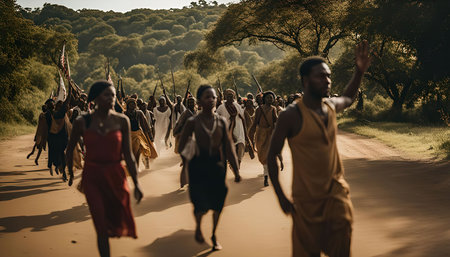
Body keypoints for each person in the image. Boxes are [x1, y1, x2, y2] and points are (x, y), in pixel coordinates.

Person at [267, 41, 371, 257]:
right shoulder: (291, 115)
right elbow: (271, 155)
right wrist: (281, 197)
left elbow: (349, 98)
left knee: (341, 249)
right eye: (320, 76)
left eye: (328, 76)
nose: (327, 81)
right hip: (306, 202)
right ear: (306, 80)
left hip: (337, 196)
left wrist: (359, 72)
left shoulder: (330, 106)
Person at [66, 80, 143, 257]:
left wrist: (137, 183)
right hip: (92, 177)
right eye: (107, 95)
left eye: (113, 95)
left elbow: (128, 155)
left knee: (115, 219)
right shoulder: (81, 122)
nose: (112, 98)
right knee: (100, 225)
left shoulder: (122, 121)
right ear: (95, 98)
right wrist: (70, 172)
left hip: (116, 175)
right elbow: (70, 150)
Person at [178, 85, 241, 251]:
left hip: (217, 166)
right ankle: (198, 226)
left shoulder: (221, 121)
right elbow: (181, 145)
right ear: (199, 101)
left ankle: (213, 234)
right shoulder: (193, 122)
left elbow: (228, 147)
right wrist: (189, 155)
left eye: (213, 97)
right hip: (197, 166)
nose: (211, 100)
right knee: (199, 202)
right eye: (207, 97)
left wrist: (236, 170)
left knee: (218, 202)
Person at [249, 91, 278, 187]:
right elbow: (254, 123)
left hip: (270, 135)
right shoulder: (259, 109)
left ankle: (266, 177)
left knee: (267, 156)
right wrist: (250, 136)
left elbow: (276, 121)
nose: (270, 99)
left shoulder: (273, 109)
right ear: (264, 99)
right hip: (260, 135)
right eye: (268, 97)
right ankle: (266, 172)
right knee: (262, 155)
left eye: (272, 98)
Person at [216, 89, 250, 165]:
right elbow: (216, 118)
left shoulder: (237, 106)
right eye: (228, 96)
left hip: (239, 130)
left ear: (234, 97)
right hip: (227, 131)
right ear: (225, 97)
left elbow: (243, 118)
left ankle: (238, 163)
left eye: (231, 96)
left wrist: (246, 133)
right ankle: (232, 163)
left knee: (241, 146)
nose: (230, 98)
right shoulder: (221, 107)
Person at [45, 88, 71, 180]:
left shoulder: (49, 114)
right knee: (58, 156)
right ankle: (60, 169)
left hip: (57, 139)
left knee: (59, 155)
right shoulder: (54, 114)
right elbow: (66, 102)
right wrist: (70, 91)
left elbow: (66, 103)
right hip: (56, 138)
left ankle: (62, 171)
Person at [125, 98, 157, 170]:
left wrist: (150, 136)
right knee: (131, 153)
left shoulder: (139, 113)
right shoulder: (124, 114)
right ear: (128, 105)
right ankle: (132, 168)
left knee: (138, 152)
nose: (133, 105)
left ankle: (137, 168)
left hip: (138, 135)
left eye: (134, 103)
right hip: (129, 135)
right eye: (131, 104)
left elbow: (145, 125)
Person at [173, 96, 197, 188]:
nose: (191, 104)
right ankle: (184, 183)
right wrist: (176, 133)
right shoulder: (186, 113)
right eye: (189, 102)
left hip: (193, 140)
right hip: (186, 139)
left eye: (192, 102)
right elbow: (179, 124)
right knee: (187, 162)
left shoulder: (195, 112)